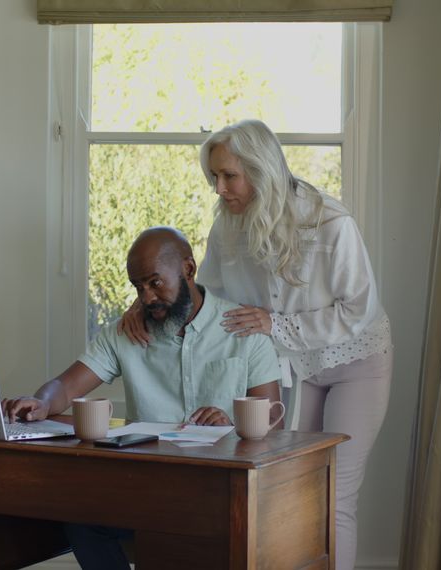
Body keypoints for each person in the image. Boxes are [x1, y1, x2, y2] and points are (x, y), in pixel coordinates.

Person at [120, 119, 393, 570]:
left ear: (261, 169)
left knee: (336, 492)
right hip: (290, 366)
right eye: (214, 177)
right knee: (286, 486)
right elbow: (201, 291)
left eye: (229, 176)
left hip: (355, 360)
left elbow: (358, 309)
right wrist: (147, 304)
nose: (219, 189)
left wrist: (275, 323)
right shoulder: (227, 228)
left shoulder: (330, 222)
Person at [3, 226, 282, 570]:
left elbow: (273, 418)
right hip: (149, 488)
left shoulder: (243, 330)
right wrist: (41, 402)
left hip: (222, 492)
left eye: (154, 282)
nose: (146, 297)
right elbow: (64, 387)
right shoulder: (127, 333)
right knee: (82, 519)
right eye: (138, 286)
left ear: (188, 270)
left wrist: (234, 422)